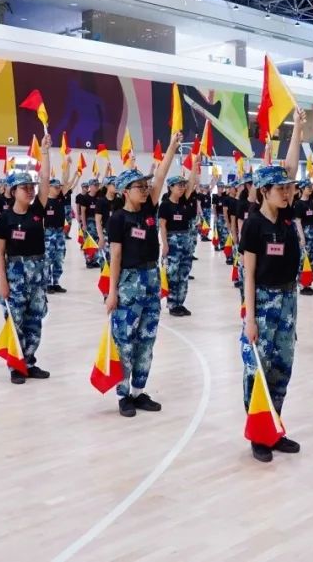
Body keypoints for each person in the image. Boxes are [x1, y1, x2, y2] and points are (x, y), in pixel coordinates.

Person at [240, 115, 304, 462]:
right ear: (264, 191)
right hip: (263, 301)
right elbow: (248, 275)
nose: (287, 192)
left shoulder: (286, 216)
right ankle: (258, 435)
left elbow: (289, 166)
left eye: (289, 188)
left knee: (282, 367)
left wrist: (297, 129)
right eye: (280, 189)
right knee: (259, 370)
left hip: (288, 299)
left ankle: (274, 427)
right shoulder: (254, 225)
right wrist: (250, 319)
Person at [104, 133, 180, 417]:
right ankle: (123, 394)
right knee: (125, 340)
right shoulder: (118, 219)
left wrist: (171, 147)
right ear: (126, 191)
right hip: (129, 282)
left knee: (147, 339)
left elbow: (160, 177)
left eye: (146, 186)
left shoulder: (149, 208)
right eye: (139, 186)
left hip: (151, 280)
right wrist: (112, 292)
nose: (146, 189)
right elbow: (115, 256)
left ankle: (138, 391)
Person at [0, 137, 52, 384]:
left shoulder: (37, 211)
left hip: (37, 271)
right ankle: (16, 366)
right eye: (24, 188)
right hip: (15, 272)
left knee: (35, 318)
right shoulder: (4, 219)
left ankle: (29, 361)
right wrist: (3, 282)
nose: (30, 191)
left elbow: (46, 179)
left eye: (31, 187)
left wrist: (46, 152)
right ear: (12, 191)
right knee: (15, 319)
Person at [159, 171, 199, 317]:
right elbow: (162, 226)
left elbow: (191, 183)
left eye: (183, 185)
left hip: (186, 241)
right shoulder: (165, 205)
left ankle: (180, 303)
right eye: (179, 185)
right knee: (172, 274)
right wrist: (165, 244)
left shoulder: (184, 202)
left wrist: (194, 166)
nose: (182, 188)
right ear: (170, 187)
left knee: (184, 273)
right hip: (172, 242)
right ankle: (172, 304)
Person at [44, 168, 78, 293]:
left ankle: (56, 282)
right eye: (55, 187)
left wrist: (67, 165)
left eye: (59, 187)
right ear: (49, 187)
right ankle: (47, 283)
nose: (58, 189)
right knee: (48, 259)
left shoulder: (60, 198)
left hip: (59, 233)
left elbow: (66, 182)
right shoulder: (44, 201)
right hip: (48, 233)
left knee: (59, 258)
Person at [293, 178, 313, 296]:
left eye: (310, 187)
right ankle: (302, 284)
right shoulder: (298, 204)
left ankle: (308, 283)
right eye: (307, 187)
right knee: (304, 259)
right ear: (301, 189)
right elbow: (297, 221)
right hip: (305, 233)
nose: (310, 189)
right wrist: (302, 237)